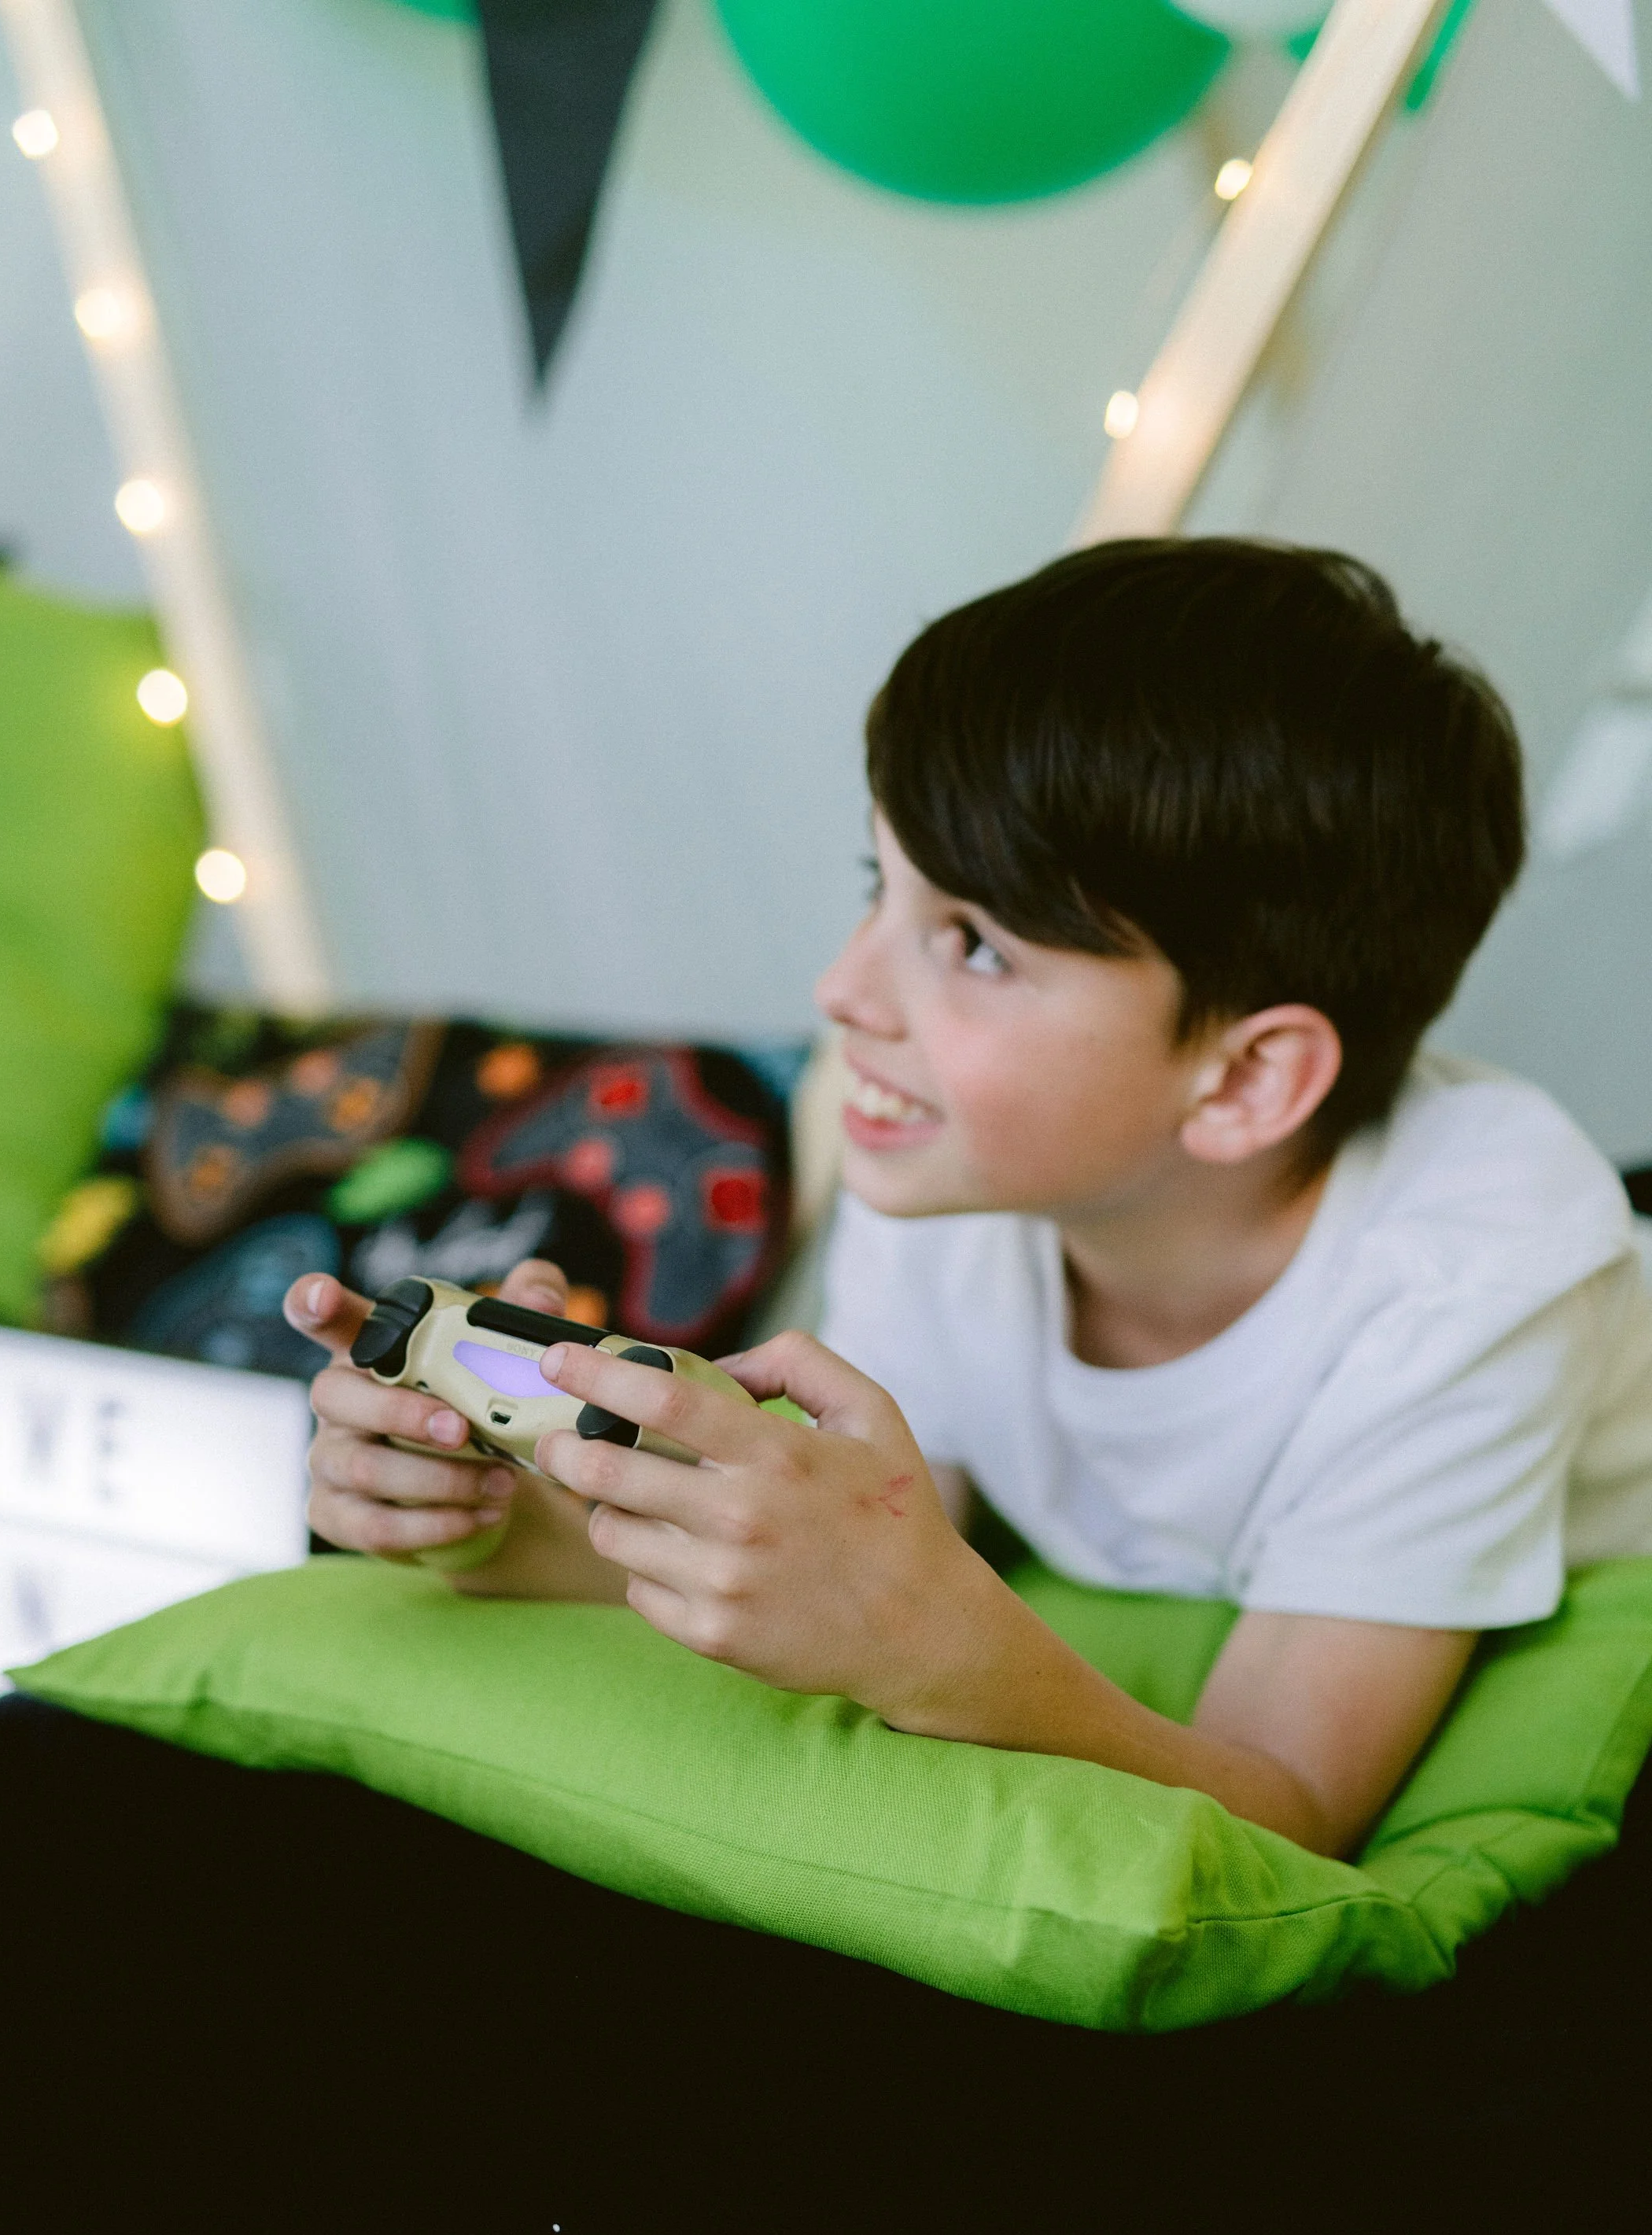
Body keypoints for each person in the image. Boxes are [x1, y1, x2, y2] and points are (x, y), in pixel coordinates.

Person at [283, 538, 1652, 1858]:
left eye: (976, 948)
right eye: (882, 887)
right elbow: (879, 1529)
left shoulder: (1478, 1282)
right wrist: (515, 1519)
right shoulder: (946, 1178)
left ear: (1243, 1081)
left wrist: (947, 1655)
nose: (844, 992)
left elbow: (1285, 1802)